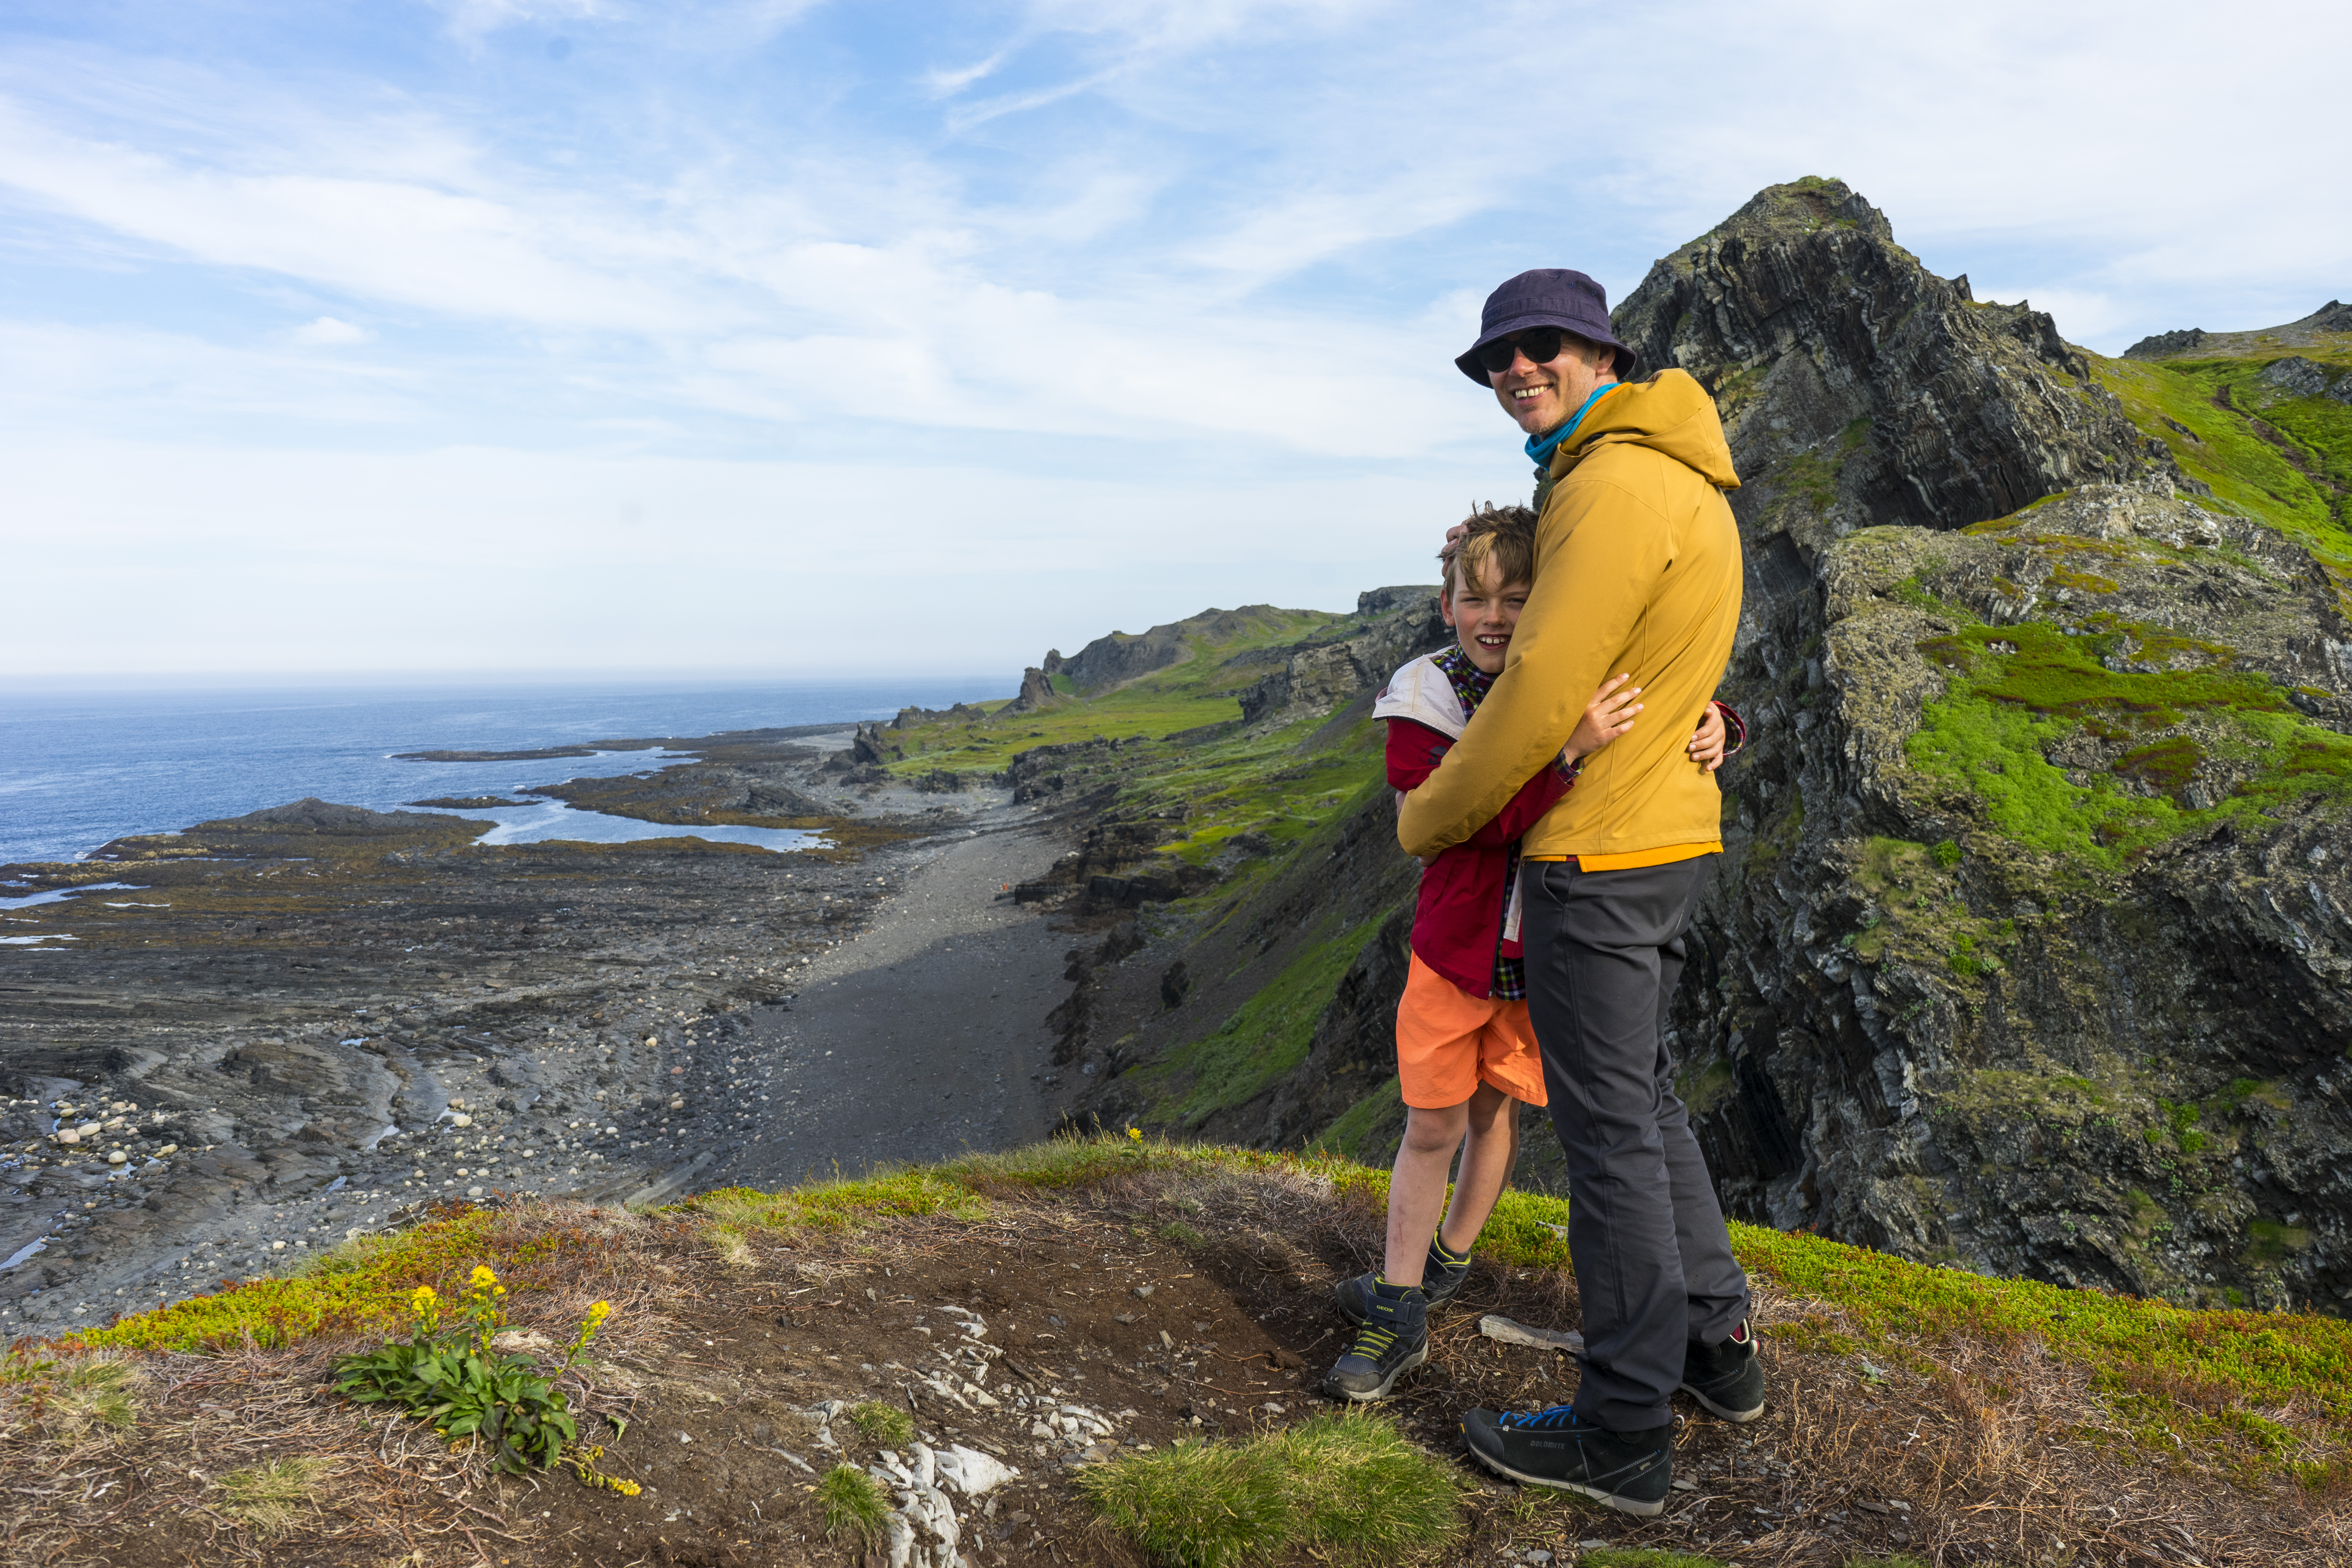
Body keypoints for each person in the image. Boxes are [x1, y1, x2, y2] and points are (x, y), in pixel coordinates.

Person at [1395, 269, 1761, 1515]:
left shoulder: (1606, 485)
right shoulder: (1687, 474)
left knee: (1608, 1141)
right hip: (1670, 843)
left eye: (1536, 348)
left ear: (1596, 348)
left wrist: (1427, 819)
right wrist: (1713, 721)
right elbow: (1676, 653)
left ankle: (1620, 1435)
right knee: (1646, 1107)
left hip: (1599, 859)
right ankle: (1718, 1353)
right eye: (1494, 358)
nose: (1513, 371)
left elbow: (1545, 696)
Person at [1322, 505, 1742, 1404]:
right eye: (1475, 598)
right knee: (1432, 1124)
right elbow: (1455, 822)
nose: (1495, 617)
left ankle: (1444, 1267)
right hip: (1455, 957)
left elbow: (1660, 696)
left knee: (1496, 1112)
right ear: (1446, 605)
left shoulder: (1571, 679)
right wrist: (1564, 758)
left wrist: (1717, 723)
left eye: (1518, 597)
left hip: (1542, 958)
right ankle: (1395, 1308)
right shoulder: (1423, 698)